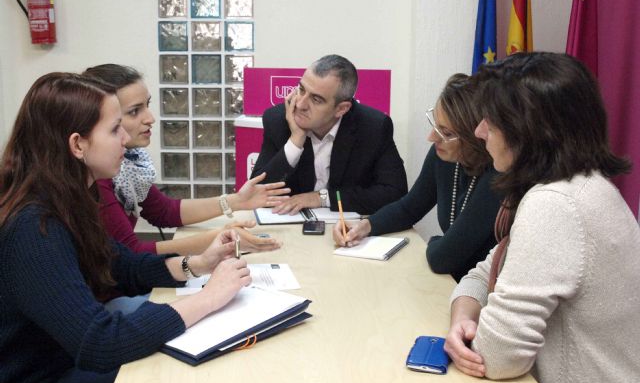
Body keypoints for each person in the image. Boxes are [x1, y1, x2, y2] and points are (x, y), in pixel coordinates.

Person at [0, 72, 251, 383]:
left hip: (64, 364)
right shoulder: (33, 228)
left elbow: (121, 264)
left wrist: (199, 263)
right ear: (77, 144)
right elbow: (100, 342)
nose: (124, 138)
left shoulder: (71, 198)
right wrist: (209, 297)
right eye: (115, 129)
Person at [444, 52, 640, 383]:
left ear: (529, 130)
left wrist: (473, 337)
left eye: (490, 120)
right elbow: (484, 272)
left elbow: (498, 357)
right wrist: (463, 316)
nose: (478, 131)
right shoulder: (583, 184)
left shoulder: (554, 204)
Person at [83, 64, 289, 256]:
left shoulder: (130, 164)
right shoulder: (98, 175)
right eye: (134, 112)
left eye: (147, 105)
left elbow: (164, 211)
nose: (150, 118)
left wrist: (236, 201)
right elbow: (130, 254)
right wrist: (218, 238)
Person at [333, 74, 501, 281]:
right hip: (451, 281)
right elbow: (409, 208)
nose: (432, 137)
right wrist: (366, 226)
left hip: (483, 289)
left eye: (446, 133)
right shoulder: (443, 155)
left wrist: (435, 241)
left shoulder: (497, 174)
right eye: (435, 125)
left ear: (477, 137)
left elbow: (443, 258)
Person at [250, 54, 408, 215]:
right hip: (292, 227)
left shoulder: (373, 127)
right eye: (301, 90)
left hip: (349, 228)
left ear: (341, 109)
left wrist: (323, 198)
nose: (300, 104)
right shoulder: (278, 120)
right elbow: (255, 193)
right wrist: (295, 141)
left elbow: (395, 193)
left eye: (316, 99)